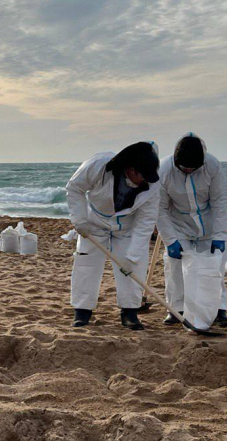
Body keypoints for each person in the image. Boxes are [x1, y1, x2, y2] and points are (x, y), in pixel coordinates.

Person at [66, 141, 160, 330]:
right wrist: (80, 221)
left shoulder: (153, 183)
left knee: (134, 266)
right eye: (141, 175)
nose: (144, 180)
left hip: (127, 227)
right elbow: (74, 188)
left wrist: (132, 256)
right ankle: (82, 312)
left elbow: (146, 221)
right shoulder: (98, 165)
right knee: (86, 265)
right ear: (131, 169)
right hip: (94, 223)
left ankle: (130, 312)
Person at [156, 133, 227, 328]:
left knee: (214, 268)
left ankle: (218, 310)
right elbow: (160, 209)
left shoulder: (212, 166)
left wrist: (220, 235)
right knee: (175, 269)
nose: (189, 170)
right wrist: (169, 239)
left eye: (193, 168)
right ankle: (176, 310)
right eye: (184, 168)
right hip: (178, 224)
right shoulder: (163, 171)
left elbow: (221, 200)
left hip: (210, 223)